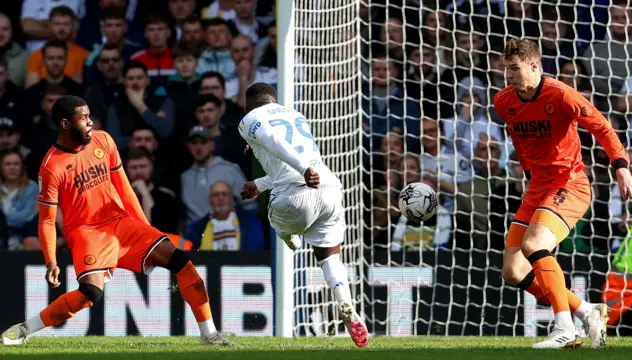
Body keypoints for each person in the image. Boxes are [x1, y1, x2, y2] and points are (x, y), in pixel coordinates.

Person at [0, 95, 232, 346]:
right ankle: (24, 330)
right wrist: (51, 260)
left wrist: (146, 228)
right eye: (83, 118)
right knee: (90, 294)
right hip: (86, 231)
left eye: (90, 116)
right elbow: (46, 220)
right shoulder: (51, 167)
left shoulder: (103, 140)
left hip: (120, 221)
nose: (90, 123)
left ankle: (209, 335)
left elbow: (124, 189)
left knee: (181, 261)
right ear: (65, 124)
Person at [493, 39, 632, 349]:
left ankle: (564, 328)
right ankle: (587, 312)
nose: (509, 75)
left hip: (569, 183)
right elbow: (521, 139)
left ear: (533, 66)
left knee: (534, 245)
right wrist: (529, 172)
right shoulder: (503, 101)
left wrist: (621, 167)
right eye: (506, 69)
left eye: (514, 69)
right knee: (513, 271)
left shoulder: (560, 95)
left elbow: (602, 127)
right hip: (538, 188)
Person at [239, 82, 369, 348]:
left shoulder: (250, 119)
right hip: (329, 188)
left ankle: (291, 238)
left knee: (275, 218)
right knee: (329, 257)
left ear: (247, 104)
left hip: (295, 196)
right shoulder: (295, 114)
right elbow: (282, 164)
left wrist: (303, 169)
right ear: (273, 100)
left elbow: (273, 142)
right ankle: (346, 303)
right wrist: (261, 183)